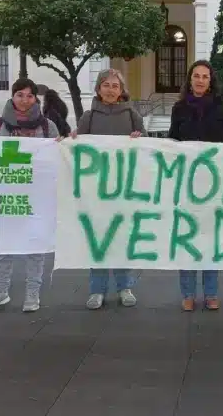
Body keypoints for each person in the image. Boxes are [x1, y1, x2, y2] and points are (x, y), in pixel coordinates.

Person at [168, 59, 223, 311]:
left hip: (214, 183)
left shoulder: (221, 108)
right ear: (190, 79)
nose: (200, 80)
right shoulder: (179, 108)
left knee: (211, 238)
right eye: (196, 76)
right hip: (186, 183)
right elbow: (172, 139)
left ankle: (211, 292)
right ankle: (188, 293)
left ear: (210, 81)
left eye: (205, 76)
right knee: (187, 236)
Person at [0, 78, 59, 314]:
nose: (24, 100)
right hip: (8, 194)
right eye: (19, 95)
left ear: (36, 99)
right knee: (3, 246)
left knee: (36, 246)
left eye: (29, 96)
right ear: (12, 97)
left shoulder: (47, 126)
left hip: (37, 195)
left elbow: (56, 156)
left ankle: (32, 293)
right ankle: (0, 291)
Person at [74, 69, 146, 310]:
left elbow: (146, 146)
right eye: (106, 84)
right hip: (97, 190)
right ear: (98, 88)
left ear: (121, 90)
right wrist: (71, 140)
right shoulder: (88, 117)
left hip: (125, 188)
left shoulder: (132, 115)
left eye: (115, 85)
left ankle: (125, 286)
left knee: (122, 239)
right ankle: (97, 289)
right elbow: (77, 150)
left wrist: (139, 138)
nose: (111, 89)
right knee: (99, 241)